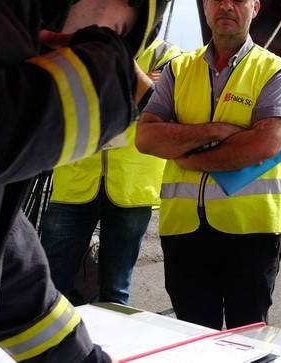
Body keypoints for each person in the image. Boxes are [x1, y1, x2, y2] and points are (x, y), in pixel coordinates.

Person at [0, 0, 175, 363]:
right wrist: (111, 79)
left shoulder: (4, 6)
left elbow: (4, 268)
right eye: (117, 34)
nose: (96, 46)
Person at [136, 0, 281, 330]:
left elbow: (266, 144)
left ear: (254, 8)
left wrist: (189, 155)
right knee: (192, 335)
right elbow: (147, 138)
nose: (227, 6)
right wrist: (213, 131)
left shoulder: (275, 71)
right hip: (184, 232)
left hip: (250, 231)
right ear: (205, 5)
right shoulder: (177, 70)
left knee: (247, 337)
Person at [41, 36, 183, 306]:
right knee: (51, 285)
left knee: (116, 291)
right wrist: (143, 86)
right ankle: (51, 345)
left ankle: (108, 348)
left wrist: (122, 62)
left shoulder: (170, 57)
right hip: (74, 180)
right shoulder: (82, 48)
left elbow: (165, 111)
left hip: (132, 187)